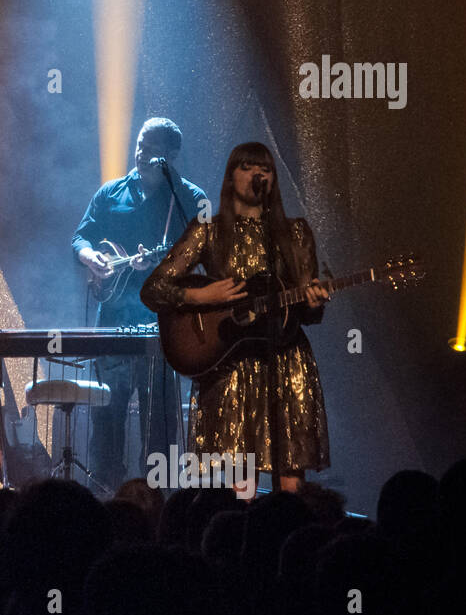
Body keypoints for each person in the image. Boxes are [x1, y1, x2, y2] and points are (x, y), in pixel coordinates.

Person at [140, 141, 330, 494]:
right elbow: (153, 289)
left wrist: (315, 302)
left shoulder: (296, 233)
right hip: (230, 365)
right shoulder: (208, 231)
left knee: (291, 475)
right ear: (231, 177)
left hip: (287, 361)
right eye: (247, 167)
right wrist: (201, 295)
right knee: (240, 482)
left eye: (266, 169)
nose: (258, 174)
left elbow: (307, 313)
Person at [72, 117, 208, 491]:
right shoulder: (111, 193)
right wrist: (90, 259)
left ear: (173, 155)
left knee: (159, 426)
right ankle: (105, 496)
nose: (142, 154)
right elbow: (81, 238)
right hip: (112, 321)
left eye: (153, 148)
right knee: (107, 419)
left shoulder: (190, 199)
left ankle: (156, 504)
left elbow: (205, 255)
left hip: (162, 326)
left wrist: (166, 266)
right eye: (140, 145)